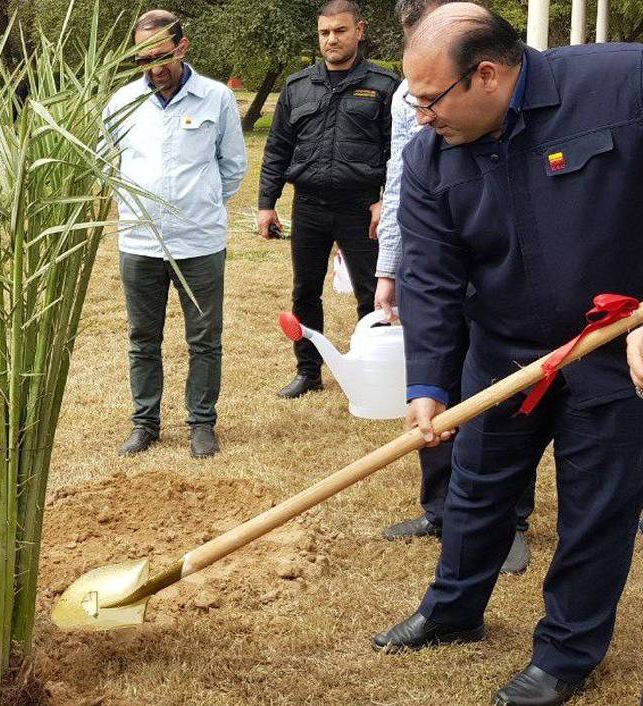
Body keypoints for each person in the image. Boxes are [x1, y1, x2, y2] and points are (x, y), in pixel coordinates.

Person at [372, 6, 643, 705]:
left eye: (430, 99)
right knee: (476, 485)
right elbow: (430, 278)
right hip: (503, 351)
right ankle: (453, 608)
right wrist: (428, 385)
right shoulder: (429, 157)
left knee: (595, 507)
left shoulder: (621, 83)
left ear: (487, 74)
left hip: (610, 351)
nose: (421, 116)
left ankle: (565, 654)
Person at [375, 0, 533, 576]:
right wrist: (389, 268)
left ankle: (510, 523)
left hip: (512, 296)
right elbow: (402, 184)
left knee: (503, 412)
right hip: (445, 268)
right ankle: (444, 514)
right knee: (440, 400)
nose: (421, 116)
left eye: (430, 102)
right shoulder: (422, 107)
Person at [103, 9, 247, 459]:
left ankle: (202, 423)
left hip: (199, 242)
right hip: (140, 243)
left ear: (182, 47)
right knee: (142, 339)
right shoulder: (122, 102)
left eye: (161, 56)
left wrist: (200, 203)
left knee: (204, 339)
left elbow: (232, 166)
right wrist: (133, 209)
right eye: (143, 59)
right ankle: (144, 423)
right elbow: (107, 164)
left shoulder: (216, 98)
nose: (154, 68)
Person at [257, 0, 398, 399]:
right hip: (309, 206)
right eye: (324, 33)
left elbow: (399, 151)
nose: (331, 39)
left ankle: (371, 370)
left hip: (363, 208)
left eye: (339, 30)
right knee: (305, 291)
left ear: (359, 31)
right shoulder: (297, 86)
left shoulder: (385, 86)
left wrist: (385, 199)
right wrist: (266, 204)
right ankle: (308, 371)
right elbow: (277, 148)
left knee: (372, 293)